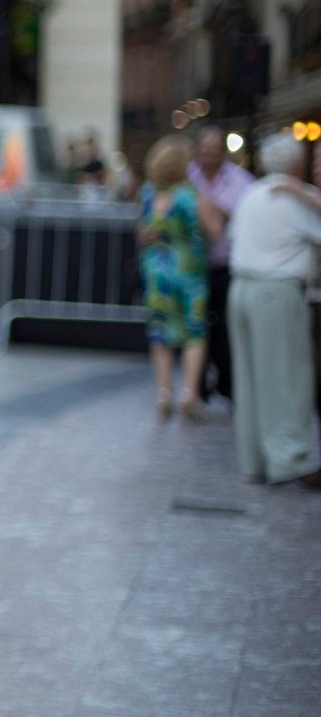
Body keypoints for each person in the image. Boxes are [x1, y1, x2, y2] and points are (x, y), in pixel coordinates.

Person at [227, 132, 321, 489]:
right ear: (297, 163)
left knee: (250, 380)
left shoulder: (251, 194)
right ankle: (286, 459)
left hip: (243, 287)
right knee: (283, 378)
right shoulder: (295, 197)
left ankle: (255, 460)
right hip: (275, 290)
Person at [137, 134, 221, 421]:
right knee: (194, 332)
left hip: (157, 270)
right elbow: (215, 230)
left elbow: (143, 231)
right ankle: (189, 393)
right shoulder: (189, 194)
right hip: (189, 272)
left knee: (160, 331)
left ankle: (163, 393)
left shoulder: (149, 193)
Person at [187, 125, 254, 405]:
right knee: (196, 326)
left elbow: (240, 219)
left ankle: (227, 384)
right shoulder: (187, 175)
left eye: (214, 150)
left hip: (225, 264)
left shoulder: (242, 181)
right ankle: (197, 386)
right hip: (192, 266)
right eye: (205, 149)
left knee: (225, 328)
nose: (209, 155)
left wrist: (210, 210)